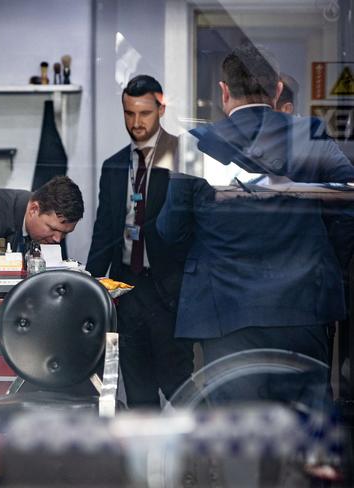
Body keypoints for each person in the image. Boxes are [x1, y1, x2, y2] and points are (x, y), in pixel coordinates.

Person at [156, 44, 354, 408]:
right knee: (305, 433)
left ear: (224, 91)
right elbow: (349, 201)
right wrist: (325, 259)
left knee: (238, 437)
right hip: (303, 305)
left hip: (225, 310)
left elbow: (170, 230)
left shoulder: (193, 146)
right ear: (278, 90)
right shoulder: (311, 137)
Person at [86, 74, 193, 408]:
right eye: (129, 113)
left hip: (170, 292)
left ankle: (194, 459)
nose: (136, 122)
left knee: (180, 387)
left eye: (144, 113)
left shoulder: (183, 157)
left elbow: (195, 228)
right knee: (138, 391)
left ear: (161, 109)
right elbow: (104, 232)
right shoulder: (114, 165)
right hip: (127, 291)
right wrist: (90, 284)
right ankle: (146, 459)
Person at [0, 175, 83, 254]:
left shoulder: (37, 230)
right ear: (34, 209)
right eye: (53, 229)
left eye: (65, 233)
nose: (57, 239)